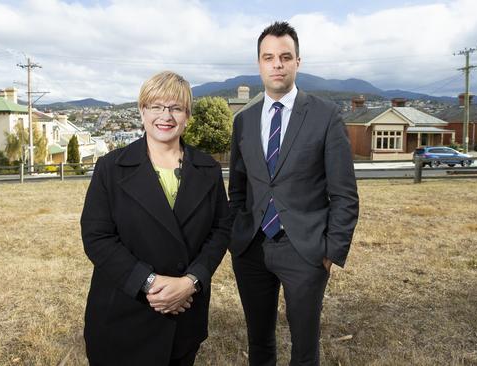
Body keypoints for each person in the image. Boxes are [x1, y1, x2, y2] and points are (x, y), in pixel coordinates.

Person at [228, 22, 360, 365]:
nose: (277, 64)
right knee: (259, 344)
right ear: (258, 63)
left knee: (304, 349)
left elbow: (344, 194)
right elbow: (238, 187)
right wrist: (236, 236)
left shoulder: (325, 116)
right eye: (268, 57)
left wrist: (332, 250)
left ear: (298, 62)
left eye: (285, 57)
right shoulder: (243, 120)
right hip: (252, 249)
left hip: (305, 250)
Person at [81, 71, 230, 365]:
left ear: (187, 115)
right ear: (142, 111)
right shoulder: (111, 168)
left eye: (175, 108)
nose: (166, 116)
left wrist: (191, 281)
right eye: (156, 107)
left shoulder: (208, 170)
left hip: (184, 314)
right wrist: (148, 282)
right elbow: (97, 237)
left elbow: (221, 230)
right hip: (123, 313)